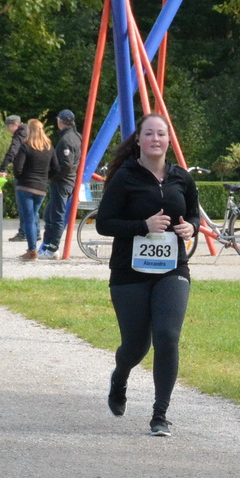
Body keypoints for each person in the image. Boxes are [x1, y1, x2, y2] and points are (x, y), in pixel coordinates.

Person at [94, 114, 200, 436]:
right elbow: (104, 223)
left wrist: (191, 227)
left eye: (161, 134)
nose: (156, 139)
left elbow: (193, 214)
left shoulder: (182, 177)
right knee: (136, 346)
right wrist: (144, 226)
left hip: (173, 269)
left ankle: (160, 415)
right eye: (149, 133)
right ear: (138, 140)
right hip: (129, 272)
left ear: (169, 140)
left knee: (167, 336)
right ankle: (120, 377)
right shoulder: (125, 177)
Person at [39, 108, 82, 258]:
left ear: (60, 121)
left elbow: (66, 164)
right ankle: (47, 245)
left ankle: (52, 248)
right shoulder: (77, 137)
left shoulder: (66, 140)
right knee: (49, 214)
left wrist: (53, 175)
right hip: (68, 181)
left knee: (56, 216)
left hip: (62, 182)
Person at [11, 118, 54, 261]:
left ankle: (32, 250)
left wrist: (21, 178)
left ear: (30, 130)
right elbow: (56, 167)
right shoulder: (49, 147)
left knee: (29, 219)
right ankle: (33, 248)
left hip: (25, 186)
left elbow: (17, 168)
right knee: (33, 216)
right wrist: (45, 178)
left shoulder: (26, 146)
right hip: (41, 188)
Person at [0, 114, 27, 240]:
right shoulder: (31, 132)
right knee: (31, 207)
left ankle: (23, 232)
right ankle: (34, 232)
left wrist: (3, 168)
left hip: (22, 174)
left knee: (22, 205)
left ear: (15, 125)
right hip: (34, 174)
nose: (7, 129)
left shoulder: (19, 135)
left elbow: (12, 152)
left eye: (8, 126)